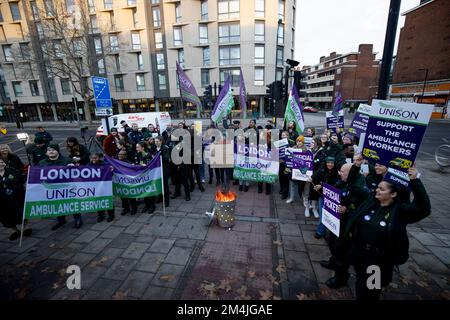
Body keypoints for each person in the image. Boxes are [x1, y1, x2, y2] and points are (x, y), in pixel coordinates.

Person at [345, 166, 430, 300]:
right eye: (378, 187)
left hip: (377, 261)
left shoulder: (400, 211)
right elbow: (353, 185)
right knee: (361, 282)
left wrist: (415, 181)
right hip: (359, 254)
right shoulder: (371, 201)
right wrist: (356, 166)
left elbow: (423, 209)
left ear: (393, 194)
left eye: (382, 189)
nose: (377, 191)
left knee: (371, 291)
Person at [320, 161, 368, 289]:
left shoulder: (359, 188)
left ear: (351, 173)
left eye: (342, 171)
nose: (339, 173)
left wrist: (347, 210)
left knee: (341, 251)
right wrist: (322, 190)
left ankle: (340, 277)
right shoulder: (341, 181)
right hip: (335, 221)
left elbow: (361, 209)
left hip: (347, 227)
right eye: (340, 170)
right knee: (332, 244)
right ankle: (333, 261)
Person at [39, 144, 83, 230]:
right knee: (57, 204)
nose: (51, 151)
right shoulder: (42, 163)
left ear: (58, 151)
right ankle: (61, 220)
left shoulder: (67, 160)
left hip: (68, 187)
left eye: (53, 150)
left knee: (72, 203)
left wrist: (74, 167)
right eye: (49, 150)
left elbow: (78, 173)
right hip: (52, 188)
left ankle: (78, 219)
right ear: (46, 152)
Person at [0, 159, 31, 241]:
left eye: (2, 162)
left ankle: (26, 227)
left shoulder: (12, 170)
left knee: (21, 212)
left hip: (17, 197)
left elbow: (21, 179)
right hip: (2, 200)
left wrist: (27, 174)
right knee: (6, 215)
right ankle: (13, 230)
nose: (1, 164)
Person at [311, 156, 339, 239]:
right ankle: (322, 230)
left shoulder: (337, 173)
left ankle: (320, 231)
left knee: (327, 215)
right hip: (322, 196)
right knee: (321, 213)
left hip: (331, 198)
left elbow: (335, 185)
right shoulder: (322, 170)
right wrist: (311, 177)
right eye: (328, 162)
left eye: (332, 163)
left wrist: (321, 186)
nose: (330, 164)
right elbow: (315, 175)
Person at [286, 136, 312, 217]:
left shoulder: (307, 150)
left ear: (303, 142)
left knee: (304, 187)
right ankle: (291, 198)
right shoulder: (292, 149)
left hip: (302, 172)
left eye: (300, 141)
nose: (298, 142)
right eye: (297, 141)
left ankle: (305, 201)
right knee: (292, 184)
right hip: (293, 171)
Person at [90, 153, 115, 222]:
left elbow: (111, 174)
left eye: (95, 158)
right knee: (98, 201)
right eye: (92, 158)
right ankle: (101, 215)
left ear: (99, 158)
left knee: (108, 200)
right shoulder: (88, 166)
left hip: (105, 186)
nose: (94, 159)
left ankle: (111, 215)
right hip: (95, 187)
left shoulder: (105, 165)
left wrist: (111, 170)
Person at [134, 141, 156, 213]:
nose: (136, 148)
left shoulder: (148, 155)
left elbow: (152, 165)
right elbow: (136, 163)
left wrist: (146, 166)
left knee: (150, 191)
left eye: (138, 147)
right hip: (141, 176)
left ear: (142, 148)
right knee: (144, 190)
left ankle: (152, 206)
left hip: (149, 176)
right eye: (136, 147)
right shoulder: (137, 154)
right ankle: (146, 205)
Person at [116, 149, 138, 215]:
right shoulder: (116, 163)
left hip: (128, 184)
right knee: (123, 198)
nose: (120, 155)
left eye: (122, 154)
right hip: (121, 183)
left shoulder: (128, 163)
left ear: (125, 156)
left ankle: (134, 209)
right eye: (119, 154)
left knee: (131, 198)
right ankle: (126, 209)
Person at [151, 136, 171, 207]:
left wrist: (160, 154)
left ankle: (166, 201)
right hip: (157, 170)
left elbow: (166, 158)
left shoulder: (165, 148)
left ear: (161, 141)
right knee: (158, 184)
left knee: (165, 186)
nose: (156, 143)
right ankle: (160, 198)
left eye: (157, 141)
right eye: (155, 141)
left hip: (164, 169)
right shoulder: (153, 148)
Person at [279, 131, 295, 199]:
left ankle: (285, 194)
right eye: (282, 135)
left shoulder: (291, 142)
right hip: (280, 163)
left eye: (284, 135)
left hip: (287, 164)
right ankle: (282, 189)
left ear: (288, 136)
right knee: (281, 177)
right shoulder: (278, 143)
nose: (283, 137)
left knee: (286, 178)